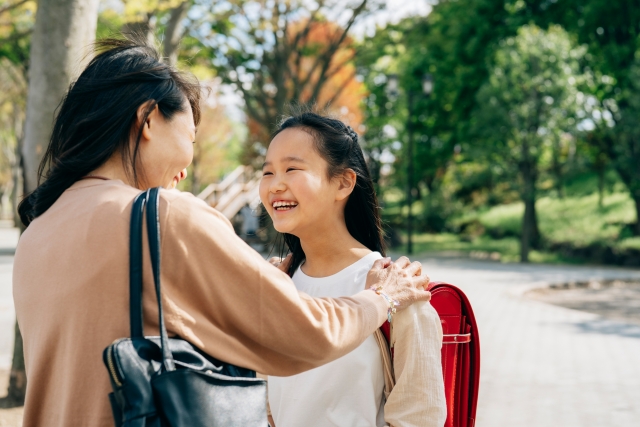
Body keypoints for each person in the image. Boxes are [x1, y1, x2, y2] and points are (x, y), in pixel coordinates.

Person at [12, 39, 432, 427]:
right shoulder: (162, 217)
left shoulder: (38, 231)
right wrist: (383, 298)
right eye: (191, 135)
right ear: (149, 120)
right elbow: (306, 334)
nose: (186, 168)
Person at [260, 113, 447, 427]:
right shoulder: (276, 285)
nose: (275, 185)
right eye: (267, 172)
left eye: (292, 169)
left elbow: (419, 419)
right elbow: (266, 407)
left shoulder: (399, 291)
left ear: (344, 182)